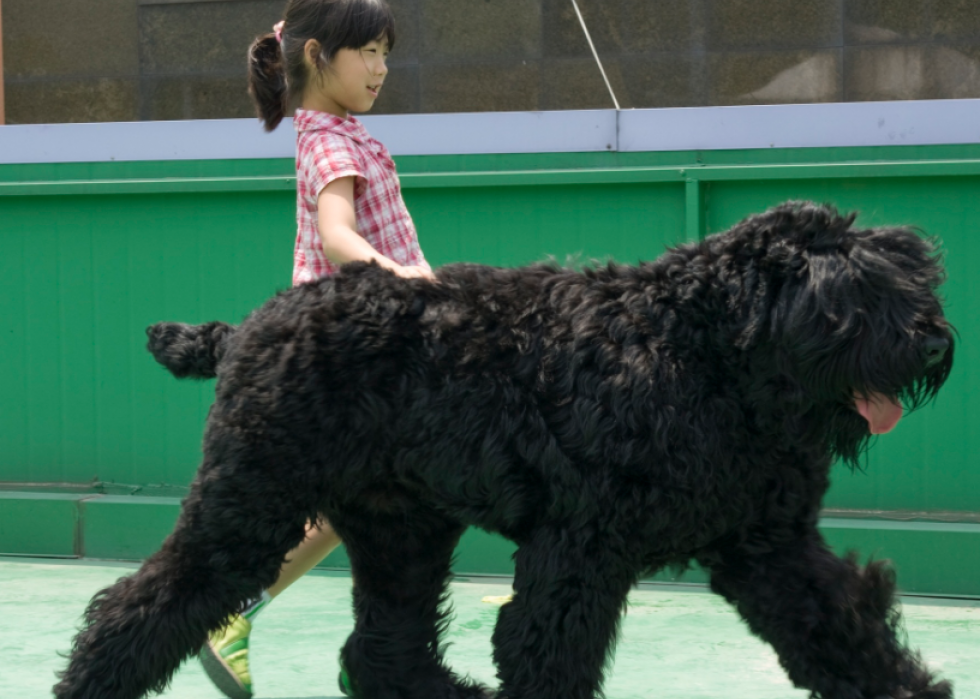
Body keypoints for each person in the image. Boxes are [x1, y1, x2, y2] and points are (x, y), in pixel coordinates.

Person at [198, 1, 434, 697]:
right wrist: (407, 276)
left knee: (375, 495)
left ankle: (370, 651)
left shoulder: (342, 132)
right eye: (367, 52)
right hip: (349, 348)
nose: (381, 69)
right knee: (372, 493)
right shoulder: (329, 140)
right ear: (315, 57)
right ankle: (235, 608)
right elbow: (338, 234)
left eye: (386, 53)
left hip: (361, 341)